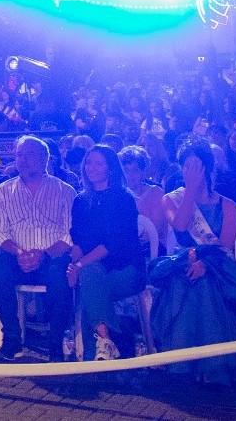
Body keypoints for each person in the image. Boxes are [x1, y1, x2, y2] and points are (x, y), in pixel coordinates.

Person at [151, 141, 236, 384]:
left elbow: (225, 246)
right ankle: (183, 363)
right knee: (183, 280)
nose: (190, 171)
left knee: (206, 282)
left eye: (195, 166)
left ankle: (215, 365)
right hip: (183, 261)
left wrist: (206, 265)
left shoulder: (226, 205)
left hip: (218, 265)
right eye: (185, 166)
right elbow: (180, 226)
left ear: (207, 167)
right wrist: (190, 190)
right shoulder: (171, 199)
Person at [0, 136, 76, 362]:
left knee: (60, 274)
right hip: (16, 256)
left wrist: (44, 254)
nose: (23, 160)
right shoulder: (3, 191)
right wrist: (19, 253)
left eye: (30, 155)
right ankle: (12, 338)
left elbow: (70, 233)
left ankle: (55, 341)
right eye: (19, 155)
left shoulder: (65, 191)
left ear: (45, 159)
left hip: (52, 256)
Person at [69, 145, 146, 360]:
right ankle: (105, 343)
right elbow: (77, 240)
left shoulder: (124, 199)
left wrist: (79, 266)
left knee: (90, 286)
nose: (92, 167)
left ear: (110, 168)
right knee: (89, 278)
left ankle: (96, 351)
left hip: (126, 268)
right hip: (92, 268)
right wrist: (73, 266)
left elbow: (112, 244)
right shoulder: (80, 201)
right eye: (89, 162)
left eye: (99, 163)